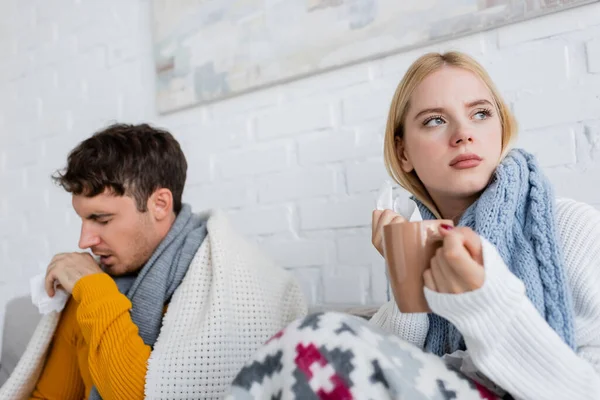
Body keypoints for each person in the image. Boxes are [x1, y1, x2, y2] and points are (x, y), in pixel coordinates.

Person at [225, 52, 600, 399]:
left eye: (481, 113)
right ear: (403, 152)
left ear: (501, 128)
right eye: (436, 120)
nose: (463, 133)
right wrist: (407, 275)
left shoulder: (574, 228)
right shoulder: (420, 239)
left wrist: (484, 298)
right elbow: (390, 374)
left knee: (311, 337)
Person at [0, 123, 307, 400]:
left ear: (159, 204)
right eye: (83, 219)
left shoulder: (227, 289)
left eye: (101, 219)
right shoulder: (90, 289)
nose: (84, 241)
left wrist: (95, 289)